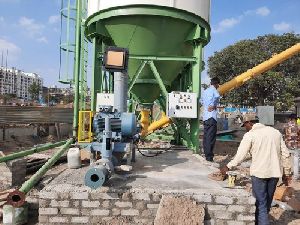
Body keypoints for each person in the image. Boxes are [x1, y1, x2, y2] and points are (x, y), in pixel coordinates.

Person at [220, 115, 291, 225]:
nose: (245, 128)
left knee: (261, 204)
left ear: (249, 122)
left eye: (245, 126)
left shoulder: (250, 135)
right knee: (267, 203)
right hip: (274, 174)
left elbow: (240, 155)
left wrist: (228, 166)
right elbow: (285, 154)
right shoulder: (275, 132)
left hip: (259, 174)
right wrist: (287, 173)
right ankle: (261, 221)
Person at [200, 77, 221, 162]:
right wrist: (214, 105)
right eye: (218, 85)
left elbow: (201, 101)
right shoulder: (213, 90)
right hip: (212, 117)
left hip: (205, 117)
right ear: (216, 84)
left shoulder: (205, 91)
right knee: (211, 137)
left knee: (206, 137)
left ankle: (206, 154)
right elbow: (217, 96)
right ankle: (209, 157)